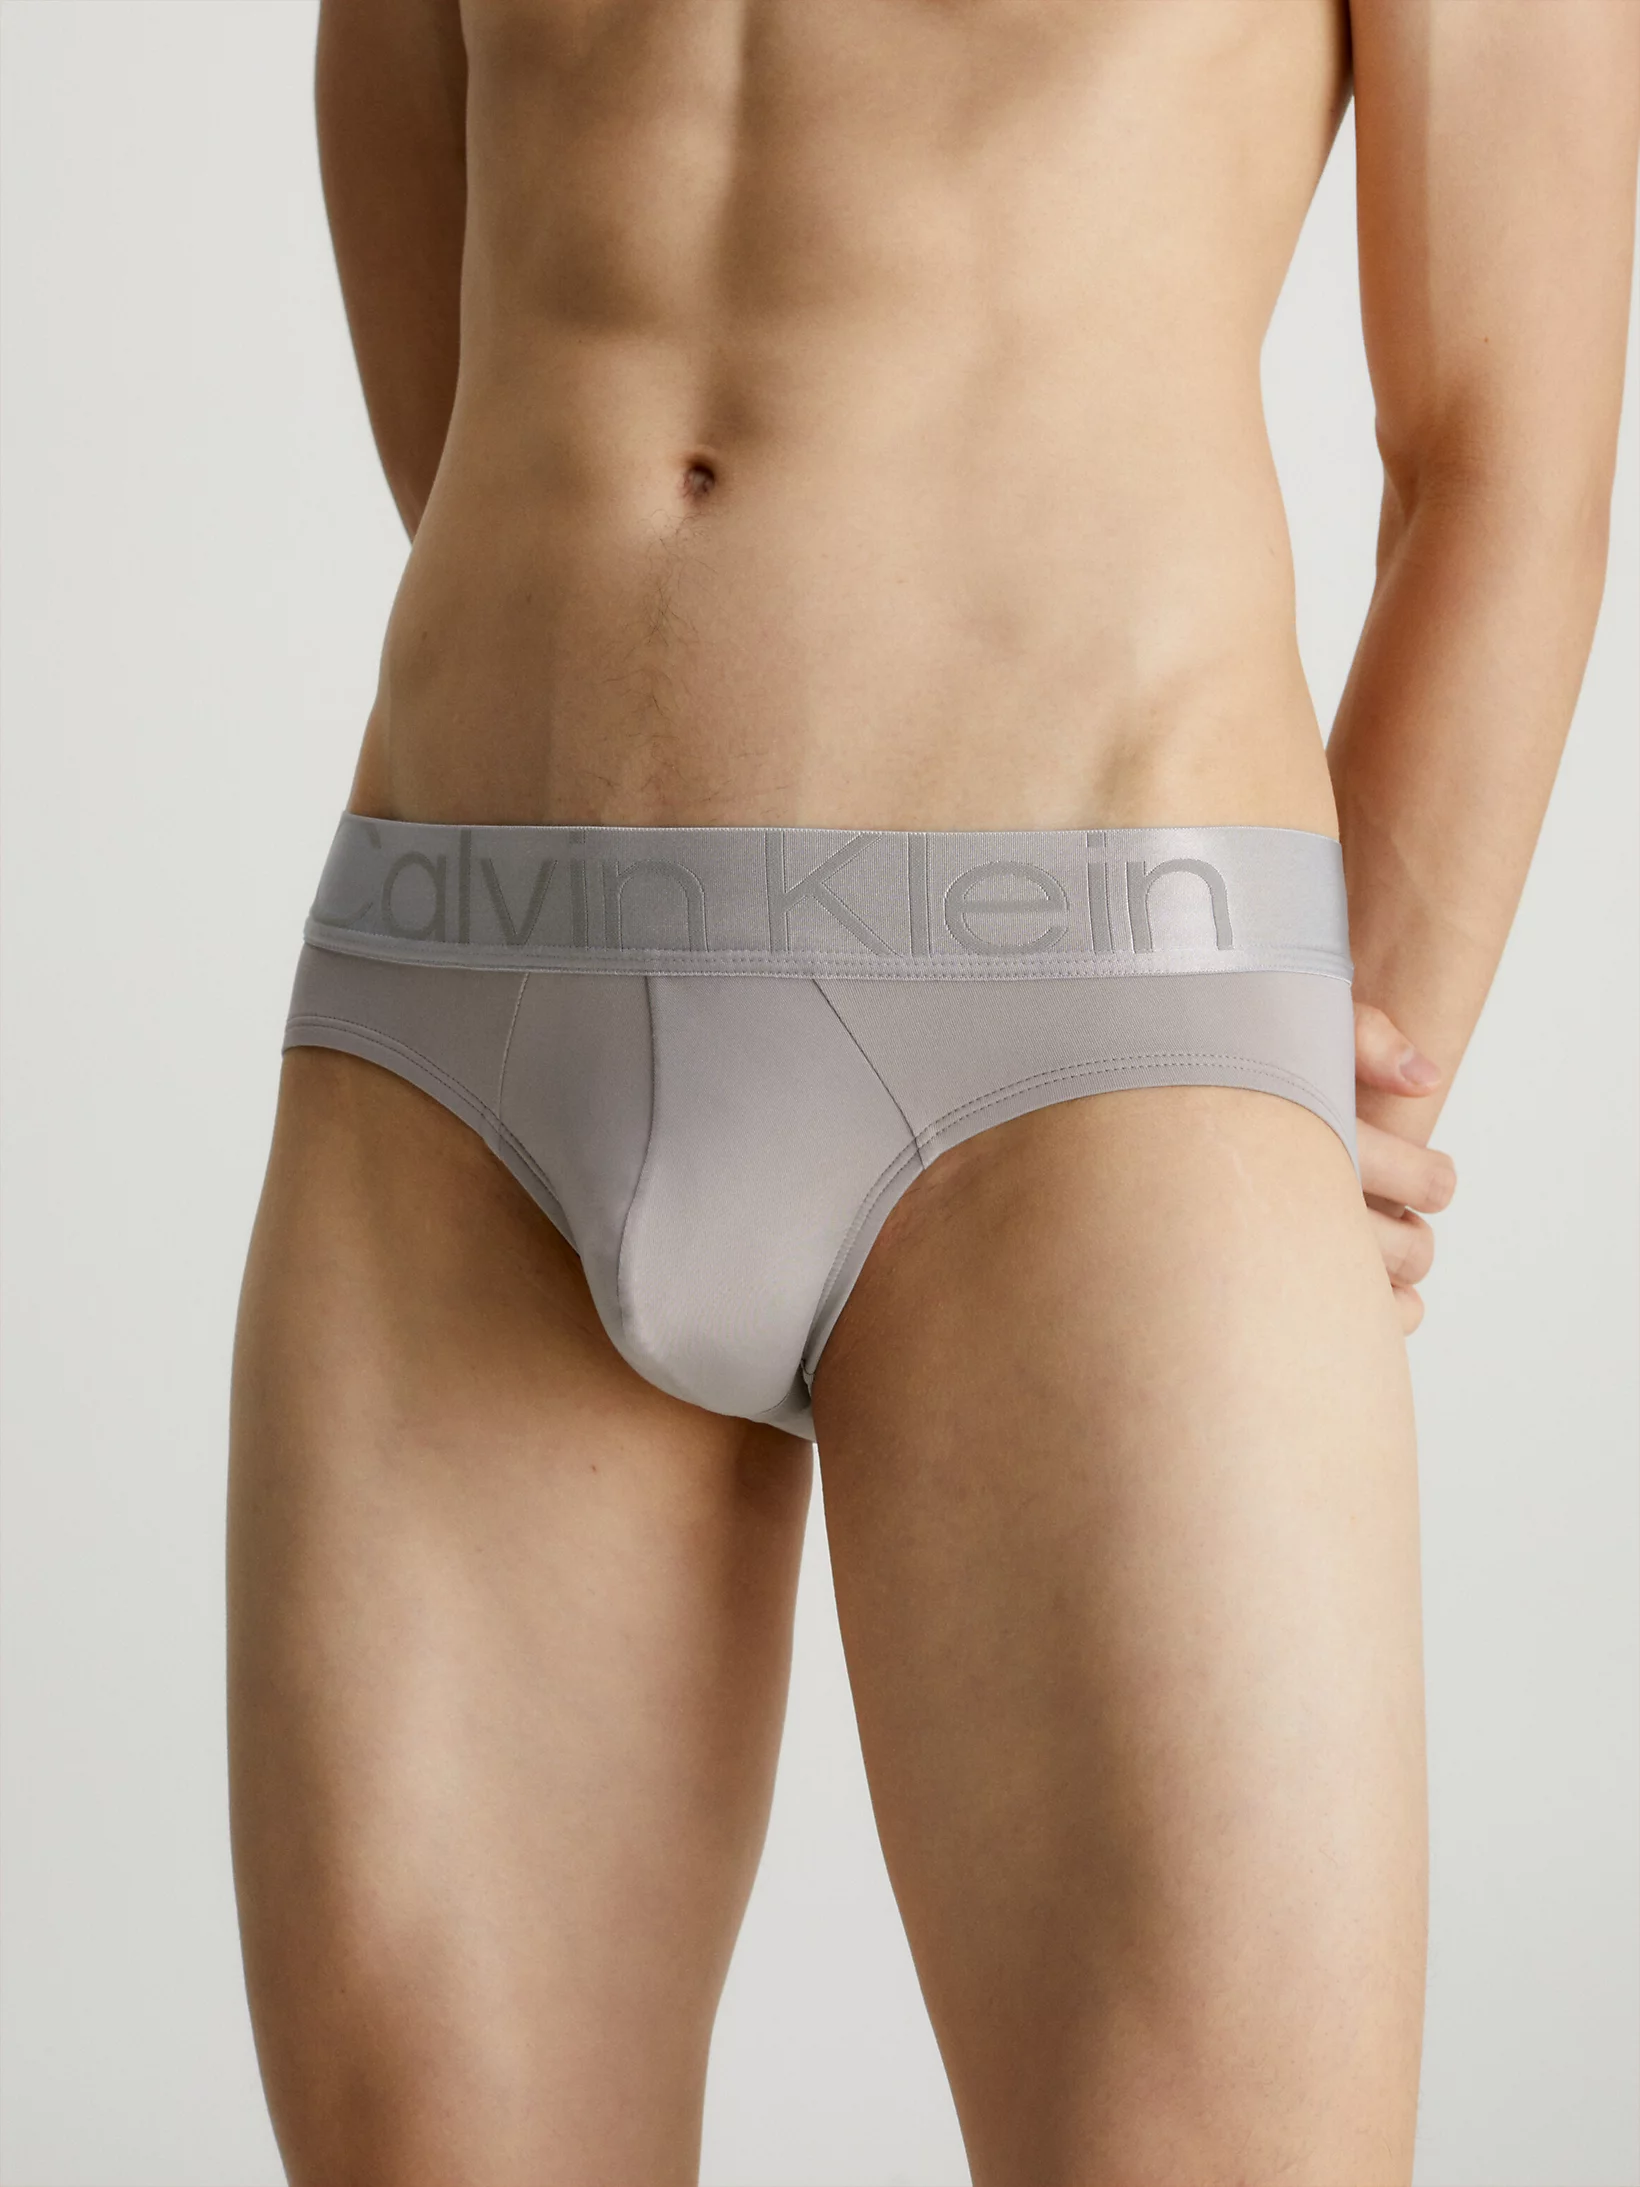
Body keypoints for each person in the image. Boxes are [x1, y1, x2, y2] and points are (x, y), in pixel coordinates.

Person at [225, 2, 1639, 2180]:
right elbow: (437, 224)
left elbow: (1501, 451)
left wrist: (1349, 1072)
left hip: (1087, 1041)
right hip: (461, 1024)